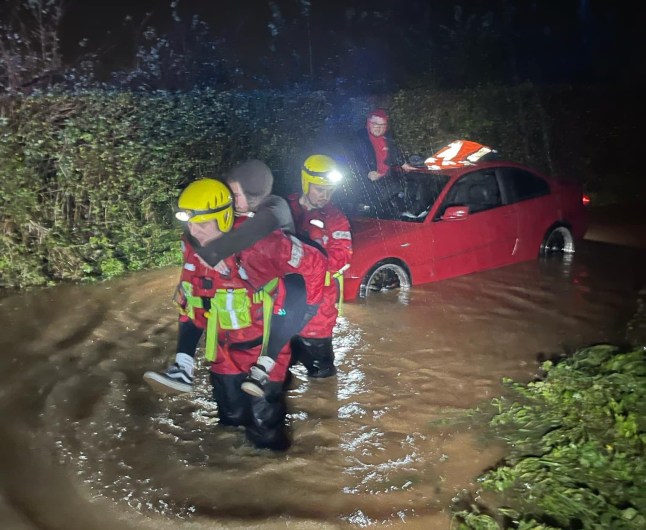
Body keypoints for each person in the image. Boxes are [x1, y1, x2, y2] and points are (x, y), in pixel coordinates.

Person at [144, 177, 326, 451]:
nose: (195, 231)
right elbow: (192, 300)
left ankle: (273, 477)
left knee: (266, 434)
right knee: (229, 423)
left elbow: (316, 263)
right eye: (190, 224)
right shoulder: (192, 246)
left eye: (202, 224)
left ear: (225, 218)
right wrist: (184, 356)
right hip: (224, 353)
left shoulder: (264, 243)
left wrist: (307, 309)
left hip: (264, 351)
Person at [287, 154, 352, 378]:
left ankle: (326, 412)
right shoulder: (285, 208)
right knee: (277, 375)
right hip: (284, 305)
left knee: (322, 378)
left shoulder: (335, 217)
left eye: (329, 190)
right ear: (306, 183)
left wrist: (305, 259)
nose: (325, 196)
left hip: (318, 315)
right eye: (319, 189)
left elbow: (342, 256)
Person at [347, 108, 414, 212]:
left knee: (410, 188)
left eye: (382, 125)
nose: (379, 128)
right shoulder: (359, 139)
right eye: (375, 124)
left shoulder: (387, 138)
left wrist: (403, 163)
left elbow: (393, 153)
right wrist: (367, 172)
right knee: (377, 208)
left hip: (387, 181)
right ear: (368, 123)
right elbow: (353, 161)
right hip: (367, 186)